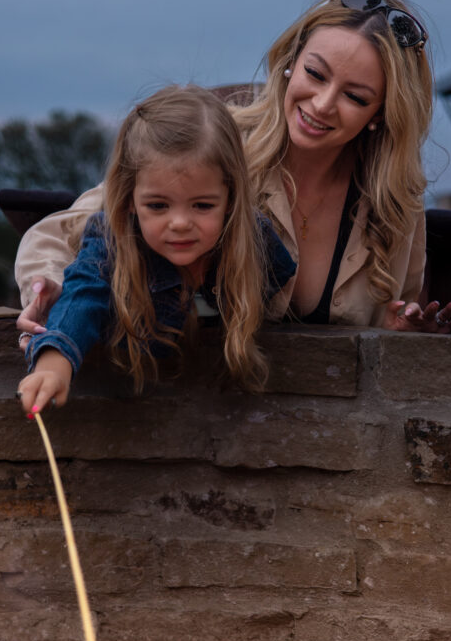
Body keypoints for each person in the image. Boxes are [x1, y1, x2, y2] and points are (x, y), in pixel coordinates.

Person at [14, 0, 451, 342]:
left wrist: (397, 331)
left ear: (381, 114)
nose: (322, 104)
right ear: (291, 60)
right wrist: (48, 288)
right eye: (315, 74)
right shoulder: (217, 143)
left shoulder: (396, 203)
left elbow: (385, 323)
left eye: (354, 96)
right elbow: (58, 234)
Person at [17, 85, 296, 414]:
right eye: (158, 205)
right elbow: (82, 295)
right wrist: (53, 363)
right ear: (131, 199)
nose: (179, 223)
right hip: (132, 404)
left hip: (228, 404)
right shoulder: (111, 242)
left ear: (231, 198)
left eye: (202, 205)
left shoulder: (255, 241)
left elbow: (279, 284)